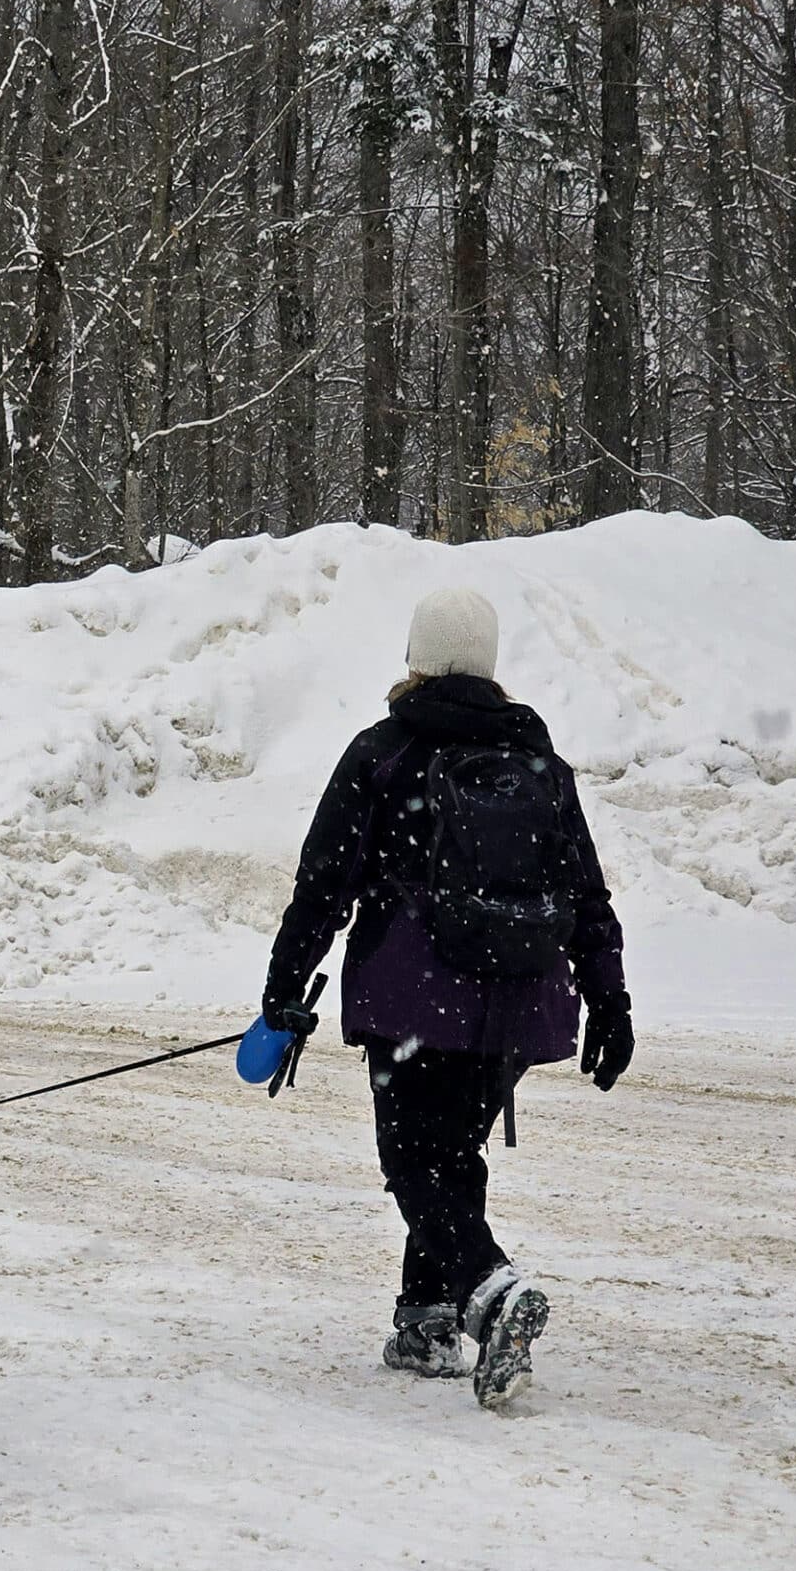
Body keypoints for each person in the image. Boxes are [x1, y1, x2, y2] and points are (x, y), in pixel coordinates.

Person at [260, 586, 633, 1407]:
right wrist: (610, 1000)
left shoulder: (385, 753)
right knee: (450, 1155)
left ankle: (490, 1294)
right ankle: (425, 1322)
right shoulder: (539, 762)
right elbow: (588, 895)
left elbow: (323, 886)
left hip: (415, 995)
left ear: (417, 660)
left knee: (414, 1163)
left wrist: (285, 993)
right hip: (520, 999)